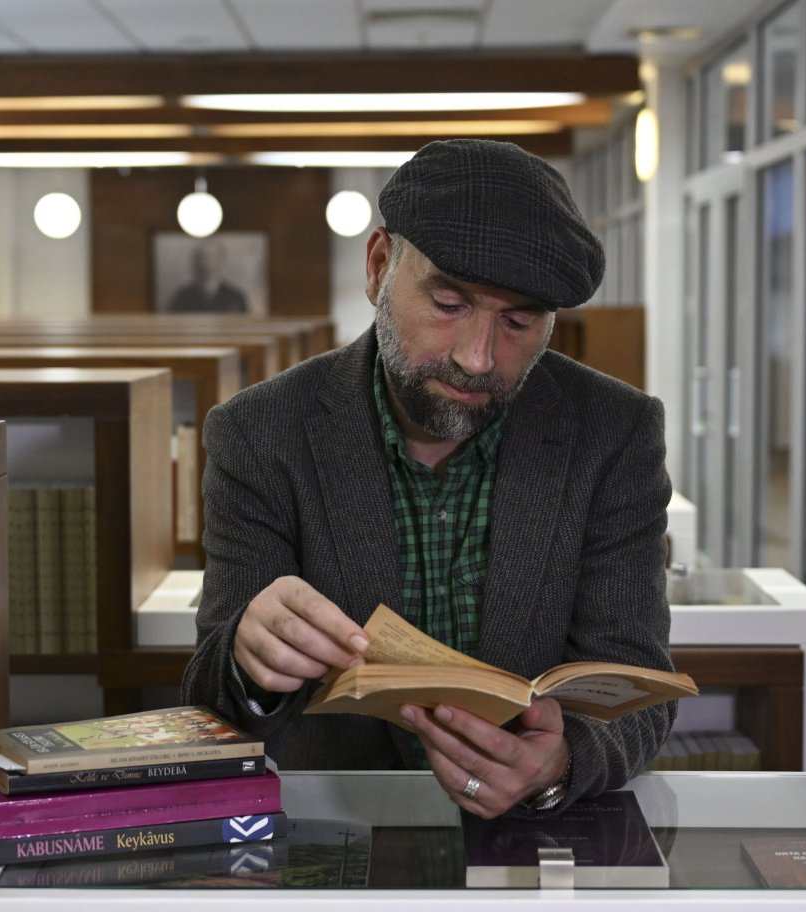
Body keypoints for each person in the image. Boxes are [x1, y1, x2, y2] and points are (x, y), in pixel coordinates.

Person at [180, 138, 676, 819]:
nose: (477, 358)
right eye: (448, 304)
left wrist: (557, 767)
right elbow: (213, 700)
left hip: (529, 847)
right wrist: (248, 656)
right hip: (333, 837)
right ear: (380, 265)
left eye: (519, 321)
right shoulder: (259, 433)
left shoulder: (615, 433)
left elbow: (638, 689)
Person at [168, 241, 249, 313]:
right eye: (203, 258)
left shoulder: (235, 297)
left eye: (212, 257)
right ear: (196, 262)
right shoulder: (183, 297)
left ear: (221, 261)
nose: (206, 263)